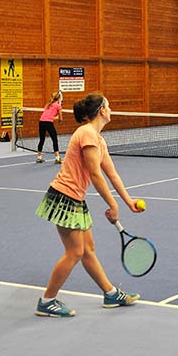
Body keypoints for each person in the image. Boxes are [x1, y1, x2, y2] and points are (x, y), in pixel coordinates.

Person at [34, 93, 144, 317]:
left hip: (76, 198)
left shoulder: (98, 139)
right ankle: (47, 301)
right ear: (101, 110)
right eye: (108, 106)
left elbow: (112, 174)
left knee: (88, 250)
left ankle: (110, 294)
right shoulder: (86, 134)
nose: (110, 109)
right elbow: (95, 174)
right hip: (65, 196)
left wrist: (128, 201)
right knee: (75, 252)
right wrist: (113, 205)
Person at [36, 90, 63, 163]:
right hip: (48, 123)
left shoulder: (48, 105)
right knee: (54, 139)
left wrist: (55, 118)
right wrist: (58, 119)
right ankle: (57, 158)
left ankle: (39, 157)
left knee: (42, 139)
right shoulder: (58, 106)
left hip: (41, 122)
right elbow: (60, 119)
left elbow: (47, 116)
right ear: (59, 98)